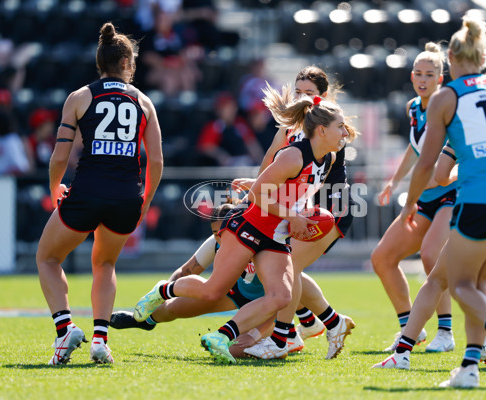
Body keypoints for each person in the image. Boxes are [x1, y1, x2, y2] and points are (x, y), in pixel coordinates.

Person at [133, 84, 354, 364]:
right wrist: (292, 215)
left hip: (275, 236)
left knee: (280, 297)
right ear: (321, 130)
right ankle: (163, 291)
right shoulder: (293, 155)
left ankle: (221, 336)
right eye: (340, 127)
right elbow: (257, 195)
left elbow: (291, 193)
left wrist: (303, 216)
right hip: (249, 228)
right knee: (212, 289)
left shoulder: (330, 158)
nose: (345, 133)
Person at [380, 16, 486, 388]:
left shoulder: (447, 96)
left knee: (459, 283)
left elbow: (428, 164)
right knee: (478, 280)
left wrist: (409, 205)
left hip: (479, 198)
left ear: (450, 57)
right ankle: (469, 366)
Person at [36, 22, 163, 365]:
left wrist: (53, 188)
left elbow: (61, 155)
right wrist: (145, 200)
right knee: (104, 263)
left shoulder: (80, 97)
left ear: (100, 62)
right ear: (126, 63)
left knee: (47, 258)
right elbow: (156, 160)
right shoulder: (144, 102)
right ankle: (100, 341)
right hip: (126, 197)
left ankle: (65, 330)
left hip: (87, 192)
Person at [373, 129, 486, 370]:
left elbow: (440, 176)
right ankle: (482, 346)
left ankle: (404, 352)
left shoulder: (463, 120)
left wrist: (419, 192)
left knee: (439, 281)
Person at [233, 66, 358, 360]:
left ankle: (284, 337)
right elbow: (271, 162)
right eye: (298, 92)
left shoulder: (326, 127)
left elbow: (308, 179)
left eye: (309, 94)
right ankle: (329, 322)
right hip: (299, 206)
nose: (302, 98)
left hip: (328, 209)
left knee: (287, 270)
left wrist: (269, 197)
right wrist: (259, 189)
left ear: (323, 98)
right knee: (287, 269)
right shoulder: (291, 128)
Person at [109, 202, 331, 357]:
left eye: (223, 230)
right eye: (216, 232)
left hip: (266, 309)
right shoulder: (217, 240)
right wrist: (168, 292)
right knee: (170, 310)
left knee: (238, 350)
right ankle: (144, 320)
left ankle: (298, 332)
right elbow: (188, 270)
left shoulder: (263, 244)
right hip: (235, 293)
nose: (220, 236)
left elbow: (286, 296)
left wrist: (256, 334)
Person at [370, 42, 456, 353]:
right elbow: (416, 147)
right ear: (411, 76)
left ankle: (445, 333)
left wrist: (452, 174)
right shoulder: (413, 108)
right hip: (423, 198)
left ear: (440, 79)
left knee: (433, 257)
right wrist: (394, 181)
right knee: (382, 258)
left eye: (429, 74)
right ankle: (410, 327)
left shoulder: (449, 106)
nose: (423, 79)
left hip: (451, 196)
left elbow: (462, 151)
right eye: (418, 73)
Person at [196, 92, 265, 166]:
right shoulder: (215, 126)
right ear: (219, 110)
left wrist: (261, 161)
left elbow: (251, 144)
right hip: (223, 166)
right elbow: (205, 147)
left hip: (242, 163)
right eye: (227, 108)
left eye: (232, 107)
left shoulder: (240, 124)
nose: (231, 111)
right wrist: (221, 155)